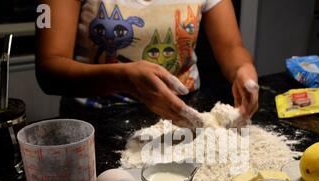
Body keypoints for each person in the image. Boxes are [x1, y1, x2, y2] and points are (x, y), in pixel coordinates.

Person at [36, 0, 259, 127]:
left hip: (181, 115)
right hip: (98, 121)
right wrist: (122, 77)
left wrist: (243, 69)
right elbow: (49, 70)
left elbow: (231, 47)